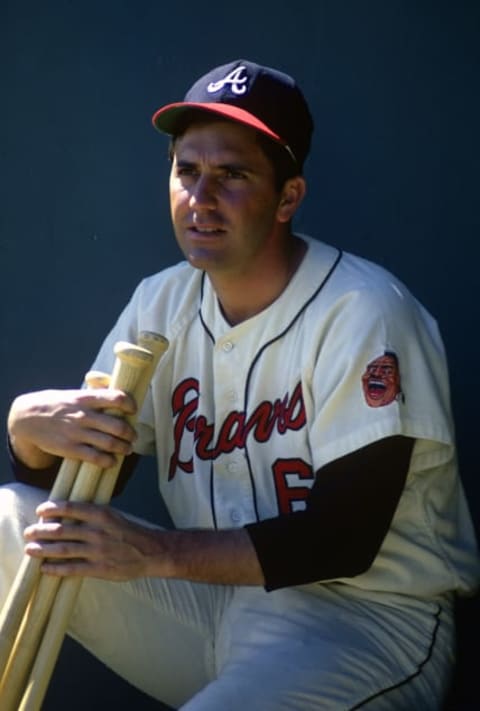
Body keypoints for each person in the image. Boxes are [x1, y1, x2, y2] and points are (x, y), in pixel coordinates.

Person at [2, 58, 480, 710]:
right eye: (187, 170)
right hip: (205, 605)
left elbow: (343, 538)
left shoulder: (365, 310)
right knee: (9, 517)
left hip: (367, 623)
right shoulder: (161, 301)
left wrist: (150, 551)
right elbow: (86, 486)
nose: (200, 196)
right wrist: (27, 433)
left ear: (288, 196)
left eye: (232, 175)